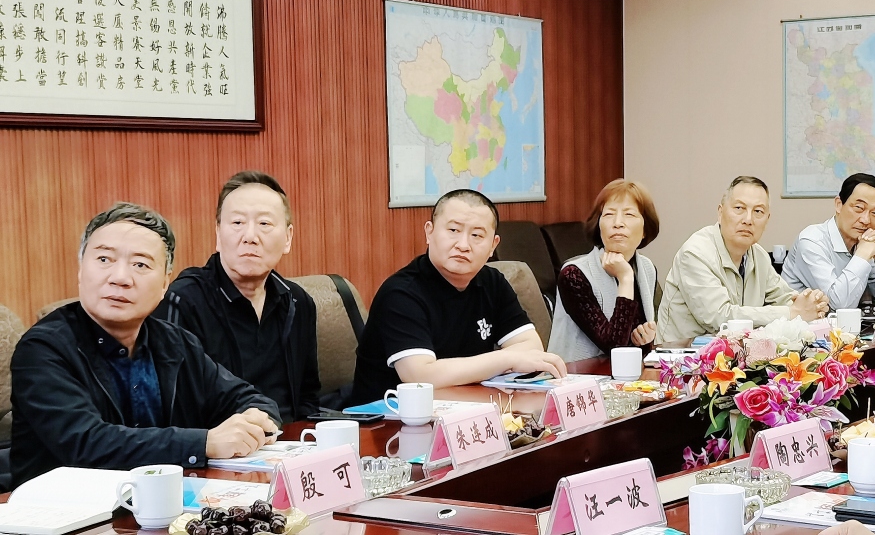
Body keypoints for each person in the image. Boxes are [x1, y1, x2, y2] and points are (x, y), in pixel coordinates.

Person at [11, 203, 281, 487]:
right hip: (65, 507)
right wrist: (204, 443)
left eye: (140, 265)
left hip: (161, 503)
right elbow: (87, 444)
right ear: (80, 271)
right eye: (104, 259)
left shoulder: (174, 342)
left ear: (165, 283)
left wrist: (254, 420)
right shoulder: (42, 349)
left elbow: (249, 399)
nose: (120, 278)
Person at [349, 189, 567, 405]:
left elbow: (531, 346)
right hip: (389, 417)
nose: (463, 245)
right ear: (429, 232)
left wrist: (506, 360)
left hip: (466, 408)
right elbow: (420, 377)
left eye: (476, 235)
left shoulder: (492, 282)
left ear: (493, 245)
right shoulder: (401, 293)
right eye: (453, 230)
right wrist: (507, 358)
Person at [154, 171, 320, 422]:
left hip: (292, 440)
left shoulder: (297, 302)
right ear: (218, 234)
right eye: (238, 223)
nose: (250, 237)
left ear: (288, 238)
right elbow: (174, 408)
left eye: (264, 224)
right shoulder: (183, 301)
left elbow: (308, 397)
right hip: (219, 442)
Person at [657, 176, 828, 342]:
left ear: (767, 219)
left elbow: (785, 298)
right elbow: (719, 317)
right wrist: (792, 313)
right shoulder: (695, 253)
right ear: (720, 212)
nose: (748, 220)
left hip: (733, 353)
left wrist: (812, 303)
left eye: (758, 212)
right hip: (680, 354)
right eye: (739, 208)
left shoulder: (758, 255)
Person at [547, 179, 660, 361]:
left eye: (629, 214)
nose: (618, 223)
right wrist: (625, 279)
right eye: (609, 214)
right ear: (598, 225)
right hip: (577, 375)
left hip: (627, 374)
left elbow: (634, 347)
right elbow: (614, 347)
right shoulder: (574, 275)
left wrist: (643, 339)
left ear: (645, 229)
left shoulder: (646, 269)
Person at [782, 172, 875, 310]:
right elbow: (839, 305)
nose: (866, 220)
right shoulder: (812, 241)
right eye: (859, 208)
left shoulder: (864, 243)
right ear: (839, 204)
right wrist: (862, 255)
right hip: (797, 321)